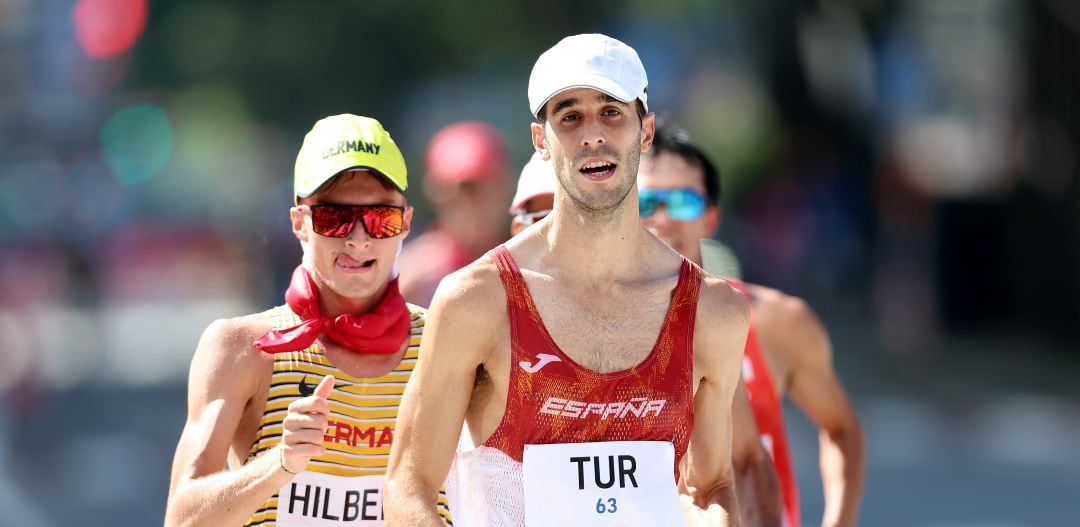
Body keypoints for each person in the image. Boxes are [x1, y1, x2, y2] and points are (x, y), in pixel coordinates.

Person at [385, 33, 750, 526]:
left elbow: (712, 487)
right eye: (570, 116)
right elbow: (409, 488)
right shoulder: (477, 300)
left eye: (612, 112)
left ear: (645, 131)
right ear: (541, 141)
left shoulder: (713, 310)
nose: (592, 135)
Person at [164, 114, 452, 526]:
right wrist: (280, 464)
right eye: (334, 218)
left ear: (404, 223)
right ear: (300, 223)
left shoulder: (446, 339)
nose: (358, 237)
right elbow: (182, 520)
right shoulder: (245, 347)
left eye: (379, 218)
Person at [506, 152, 784, 526]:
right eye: (542, 219)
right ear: (516, 230)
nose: (561, 232)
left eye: (575, 215)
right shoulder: (476, 312)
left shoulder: (687, 325)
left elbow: (745, 463)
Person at [637, 124, 866, 527]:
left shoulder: (772, 319)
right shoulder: (598, 327)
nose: (662, 218)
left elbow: (842, 430)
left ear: (710, 218)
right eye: (645, 203)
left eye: (682, 202)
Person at [397, 121, 513, 307]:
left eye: (482, 186)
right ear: (435, 194)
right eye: (459, 189)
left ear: (506, 186)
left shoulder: (532, 262)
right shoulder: (414, 280)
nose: (471, 203)